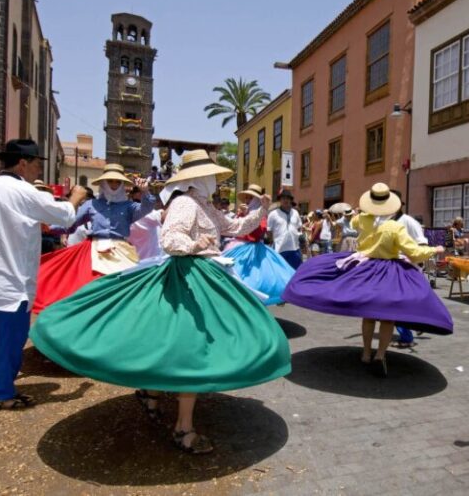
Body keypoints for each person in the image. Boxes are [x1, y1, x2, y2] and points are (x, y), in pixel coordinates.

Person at [30, 150, 291, 454]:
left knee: (176, 340)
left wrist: (260, 210)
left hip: (202, 274)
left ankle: (153, 395)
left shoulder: (202, 204)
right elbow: (171, 240)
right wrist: (200, 244)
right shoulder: (184, 203)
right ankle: (183, 428)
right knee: (189, 346)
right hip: (188, 277)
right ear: (197, 178)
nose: (213, 181)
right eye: (209, 176)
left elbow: (233, 228)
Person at [0, 139, 86, 410]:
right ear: (23, 163)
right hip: (11, 280)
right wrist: (76, 196)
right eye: (37, 164)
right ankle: (2, 391)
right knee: (12, 341)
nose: (39, 170)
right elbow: (64, 216)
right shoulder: (22, 191)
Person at [282, 183, 453, 376]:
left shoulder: (363, 219)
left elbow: (354, 221)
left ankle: (365, 353)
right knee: (388, 316)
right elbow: (414, 253)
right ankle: (380, 355)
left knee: (369, 313)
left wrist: (361, 212)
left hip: (365, 268)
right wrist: (435, 249)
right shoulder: (395, 227)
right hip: (389, 271)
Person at [33, 164, 155, 313]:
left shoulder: (129, 206)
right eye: (110, 181)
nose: (114, 185)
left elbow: (147, 208)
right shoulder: (91, 204)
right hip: (93, 251)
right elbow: (71, 224)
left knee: (125, 289)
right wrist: (49, 228)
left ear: (123, 184)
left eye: (117, 181)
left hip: (122, 251)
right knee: (90, 289)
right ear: (104, 183)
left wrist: (145, 191)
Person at [222, 184, 295, 305]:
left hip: (252, 250)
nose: (247, 200)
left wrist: (249, 219)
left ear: (256, 199)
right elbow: (234, 228)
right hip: (237, 247)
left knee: (254, 281)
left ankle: (251, 305)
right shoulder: (244, 212)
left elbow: (258, 233)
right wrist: (241, 215)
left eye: (250, 198)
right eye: (246, 197)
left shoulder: (261, 213)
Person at [392, 189, 428, 349]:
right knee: (398, 303)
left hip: (406, 267)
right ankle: (418, 322)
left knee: (398, 303)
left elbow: (422, 243)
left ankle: (408, 335)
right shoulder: (384, 221)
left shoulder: (408, 221)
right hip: (391, 266)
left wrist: (415, 261)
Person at [266, 189, 303, 269]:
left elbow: (299, 227)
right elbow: (269, 231)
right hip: (280, 249)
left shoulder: (295, 213)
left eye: (288, 198)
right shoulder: (273, 214)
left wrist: (300, 237)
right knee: (280, 273)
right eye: (283, 198)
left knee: (296, 272)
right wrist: (273, 241)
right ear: (280, 200)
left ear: (291, 200)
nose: (285, 200)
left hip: (294, 249)